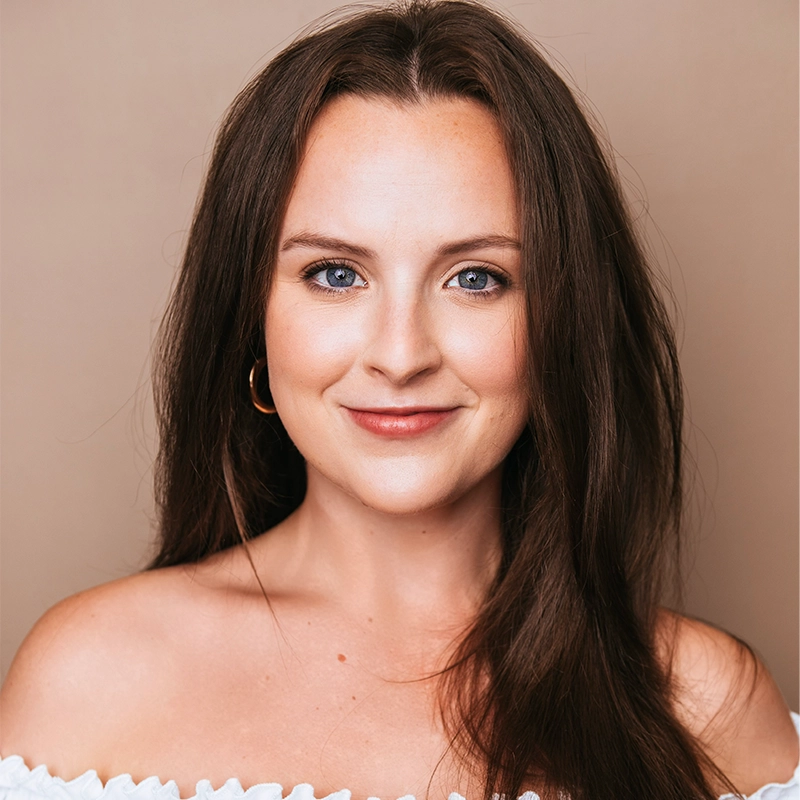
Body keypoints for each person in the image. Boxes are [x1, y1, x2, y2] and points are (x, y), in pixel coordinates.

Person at [0, 1, 797, 798]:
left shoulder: (706, 708)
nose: (401, 355)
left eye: (476, 278)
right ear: (252, 318)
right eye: (335, 274)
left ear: (562, 323)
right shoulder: (89, 682)